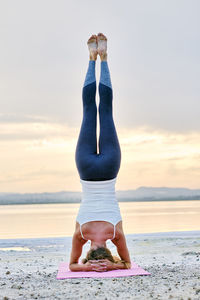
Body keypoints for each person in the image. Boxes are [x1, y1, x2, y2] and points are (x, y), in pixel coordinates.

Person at [69, 33, 131, 272]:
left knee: (103, 111)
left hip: (109, 168)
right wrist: (87, 268)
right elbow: (73, 265)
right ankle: (93, 57)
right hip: (85, 168)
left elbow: (126, 263)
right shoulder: (80, 234)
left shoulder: (116, 234)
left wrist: (112, 266)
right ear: (88, 252)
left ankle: (101, 57)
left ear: (108, 252)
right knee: (90, 111)